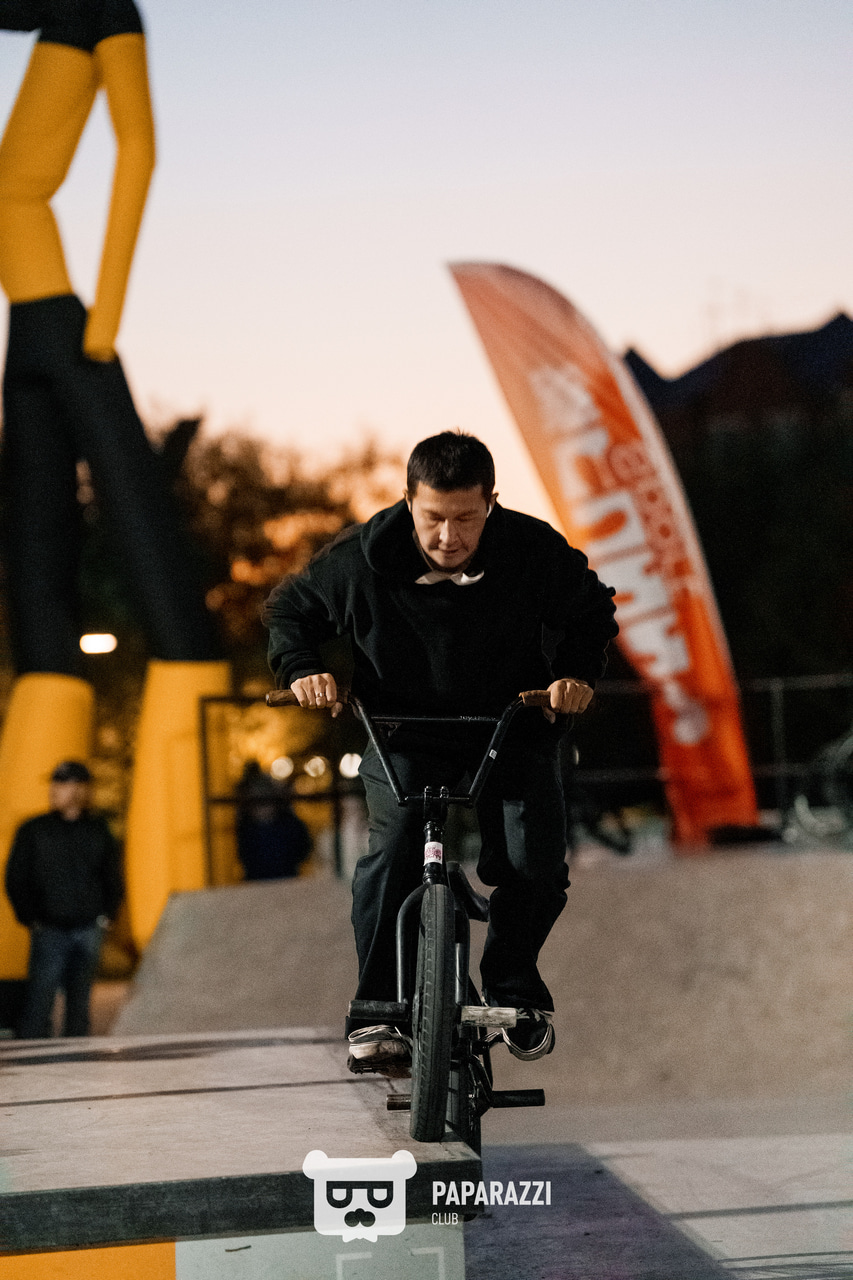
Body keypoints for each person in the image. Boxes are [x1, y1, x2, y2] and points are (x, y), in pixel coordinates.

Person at [265, 431, 618, 1071]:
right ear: (408, 502)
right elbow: (290, 610)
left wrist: (576, 674)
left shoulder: (532, 550)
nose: (448, 538)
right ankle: (377, 1010)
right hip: (402, 731)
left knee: (534, 860)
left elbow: (592, 611)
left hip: (509, 726)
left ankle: (513, 989)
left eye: (466, 519)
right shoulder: (358, 560)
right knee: (394, 848)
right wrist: (302, 669)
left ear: (491, 504)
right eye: (432, 518)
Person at [5, 760, 123, 1038]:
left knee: (79, 1003)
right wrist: (30, 917)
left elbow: (112, 875)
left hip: (88, 926)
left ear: (81, 790)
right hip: (49, 928)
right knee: (40, 999)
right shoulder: (34, 830)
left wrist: (106, 915)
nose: (56, 791)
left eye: (64, 785)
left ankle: (77, 1055)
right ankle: (34, 1054)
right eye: (55, 785)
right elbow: (16, 877)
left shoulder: (97, 830)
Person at [235, 761, 311, 880]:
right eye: (257, 802)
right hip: (260, 883)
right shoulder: (248, 829)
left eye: (264, 801)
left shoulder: (289, 826)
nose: (262, 808)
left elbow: (303, 849)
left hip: (286, 880)